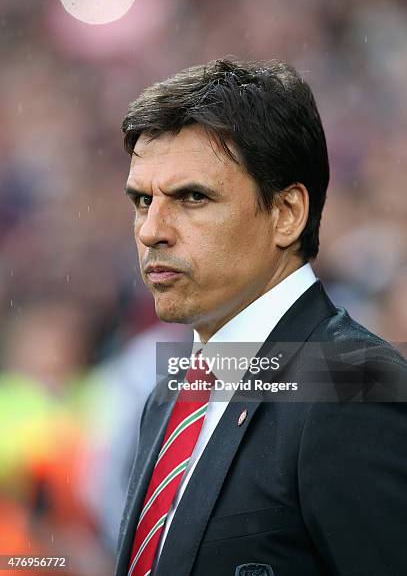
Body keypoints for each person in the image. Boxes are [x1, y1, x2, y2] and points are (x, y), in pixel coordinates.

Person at [114, 59, 407, 576]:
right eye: (143, 200)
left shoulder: (355, 386)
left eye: (192, 197)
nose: (150, 230)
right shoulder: (171, 392)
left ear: (287, 213)